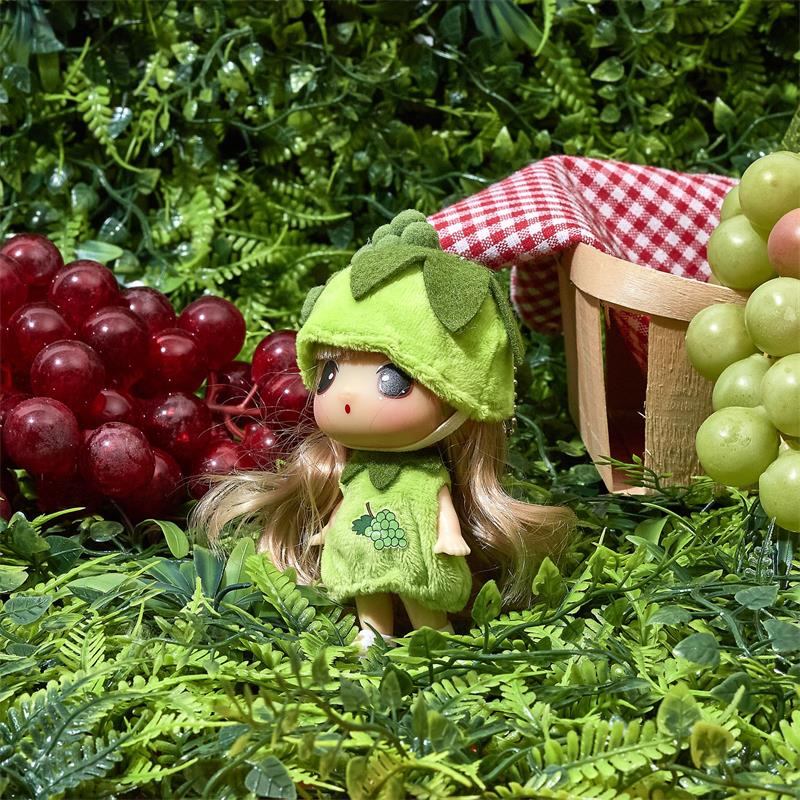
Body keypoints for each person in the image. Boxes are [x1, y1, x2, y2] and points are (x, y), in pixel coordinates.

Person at [194, 210, 575, 651]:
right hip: (361, 555)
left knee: (420, 589)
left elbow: (441, 505)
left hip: (418, 556)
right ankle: (372, 632)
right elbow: (345, 504)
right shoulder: (351, 471)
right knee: (367, 588)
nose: (346, 398)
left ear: (463, 403)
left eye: (393, 380)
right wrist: (327, 532)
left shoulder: (429, 474)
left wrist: (450, 535)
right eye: (329, 374)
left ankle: (433, 632)